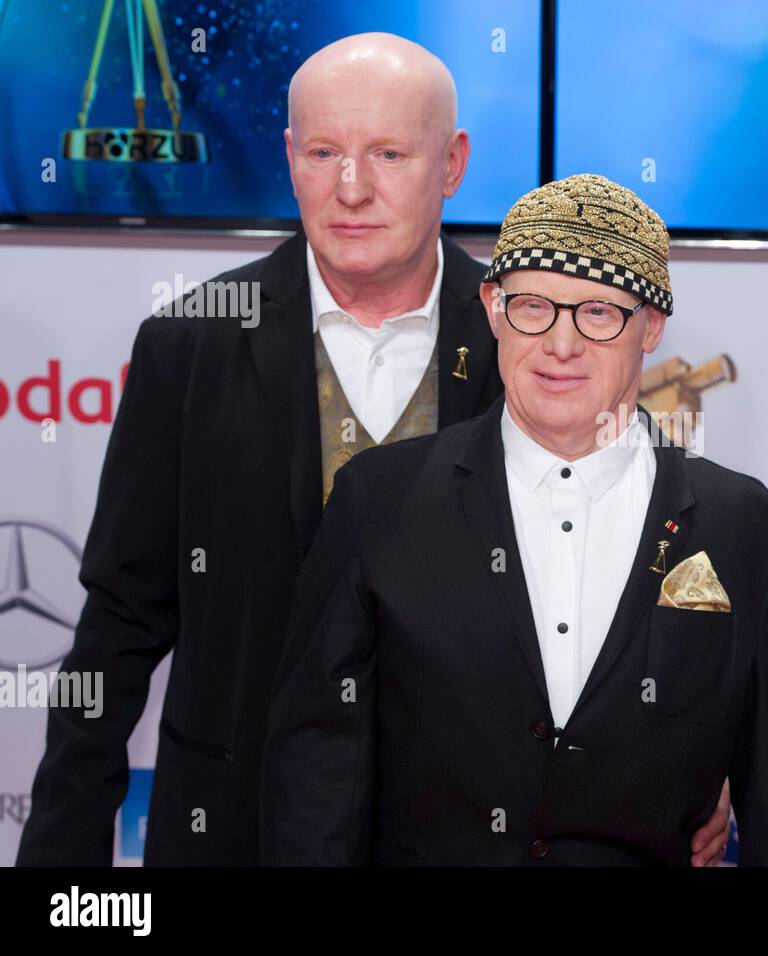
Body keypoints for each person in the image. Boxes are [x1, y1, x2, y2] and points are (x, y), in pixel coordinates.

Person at [18, 33, 504, 865]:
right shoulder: (189, 343)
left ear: (452, 163)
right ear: (289, 156)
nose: (352, 188)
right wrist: (60, 862)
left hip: (464, 833)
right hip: (231, 830)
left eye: (388, 152)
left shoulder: (527, 342)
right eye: (324, 152)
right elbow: (118, 625)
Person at [261, 174, 768, 865]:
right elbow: (315, 767)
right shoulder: (378, 501)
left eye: (598, 312)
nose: (561, 344)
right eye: (534, 307)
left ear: (651, 327)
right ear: (493, 310)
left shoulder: (750, 531)